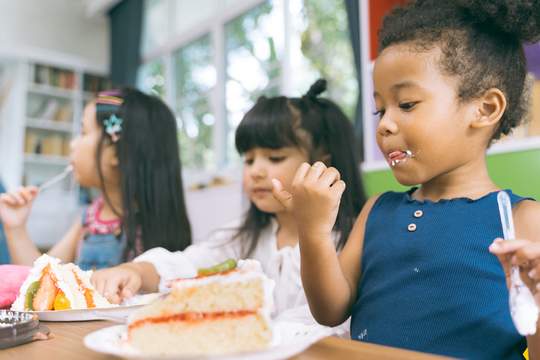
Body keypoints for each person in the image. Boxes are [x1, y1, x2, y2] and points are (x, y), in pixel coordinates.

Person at [271, 1, 540, 358]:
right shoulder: (377, 210)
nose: (384, 124)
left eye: (407, 104)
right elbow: (329, 310)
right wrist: (313, 230)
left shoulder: (522, 219)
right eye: (380, 109)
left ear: (485, 109)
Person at [91, 80, 367, 316]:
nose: (256, 171)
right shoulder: (242, 236)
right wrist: (136, 271)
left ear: (322, 164)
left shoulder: (354, 237)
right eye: (248, 160)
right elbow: (186, 264)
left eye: (275, 157)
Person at [0, 88, 192, 270]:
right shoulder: (89, 217)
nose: (73, 144)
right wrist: (15, 227)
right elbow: (39, 278)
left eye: (83, 132)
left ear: (118, 151)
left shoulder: (152, 228)